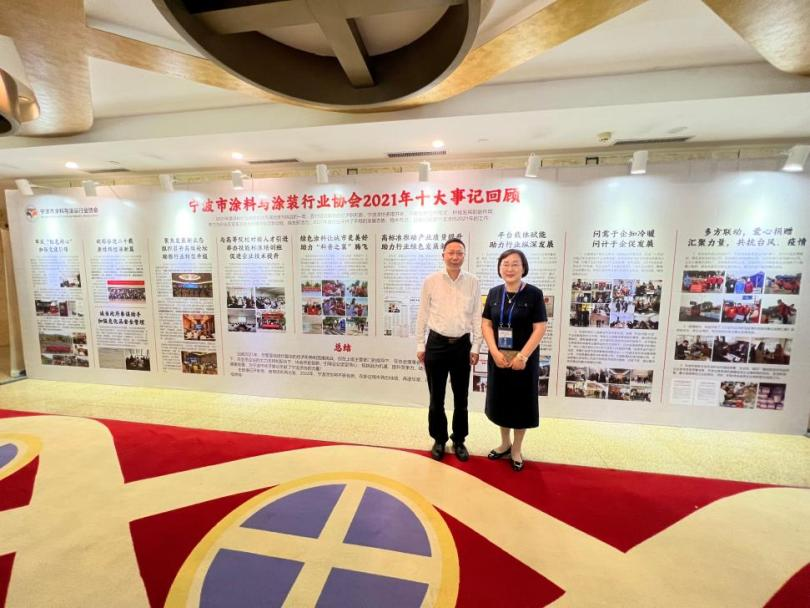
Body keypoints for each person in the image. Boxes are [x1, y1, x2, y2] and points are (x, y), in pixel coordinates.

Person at [416, 237, 482, 462]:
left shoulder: (472, 281)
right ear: (443, 255)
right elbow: (422, 314)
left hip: (462, 345)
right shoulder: (431, 281)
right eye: (451, 252)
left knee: (461, 397)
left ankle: (459, 439)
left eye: (459, 253)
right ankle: (439, 439)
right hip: (436, 344)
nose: (455, 257)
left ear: (464, 255)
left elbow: (476, 315)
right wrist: (420, 344)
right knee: (437, 397)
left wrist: (476, 346)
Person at [481, 249, 548, 472]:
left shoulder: (534, 294)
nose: (509, 268)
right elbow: (486, 324)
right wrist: (493, 351)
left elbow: (540, 328)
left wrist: (523, 356)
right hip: (499, 357)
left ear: (523, 268)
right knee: (500, 401)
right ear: (499, 268)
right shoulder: (494, 293)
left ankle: (517, 448)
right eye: (505, 264)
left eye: (515, 264)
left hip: (523, 360)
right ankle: (504, 443)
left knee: (521, 404)